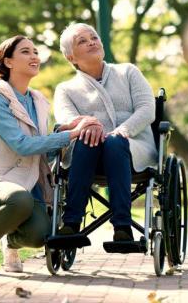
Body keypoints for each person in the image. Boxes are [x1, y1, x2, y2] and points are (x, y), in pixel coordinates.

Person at [0, 35, 97, 275]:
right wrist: (71, 135)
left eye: (35, 52)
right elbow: (22, 145)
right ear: (8, 62)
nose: (34, 56)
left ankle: (10, 243)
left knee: (41, 235)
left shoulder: (38, 100)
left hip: (24, 187)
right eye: (25, 52)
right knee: (19, 198)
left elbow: (42, 149)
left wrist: (64, 130)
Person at [53, 22, 157, 241]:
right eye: (82, 41)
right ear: (71, 57)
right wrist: (87, 124)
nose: (92, 42)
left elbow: (147, 109)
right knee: (87, 140)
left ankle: (123, 226)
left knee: (114, 142)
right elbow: (67, 119)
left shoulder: (128, 72)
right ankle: (71, 223)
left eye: (94, 38)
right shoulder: (66, 89)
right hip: (87, 157)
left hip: (132, 149)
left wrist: (123, 130)